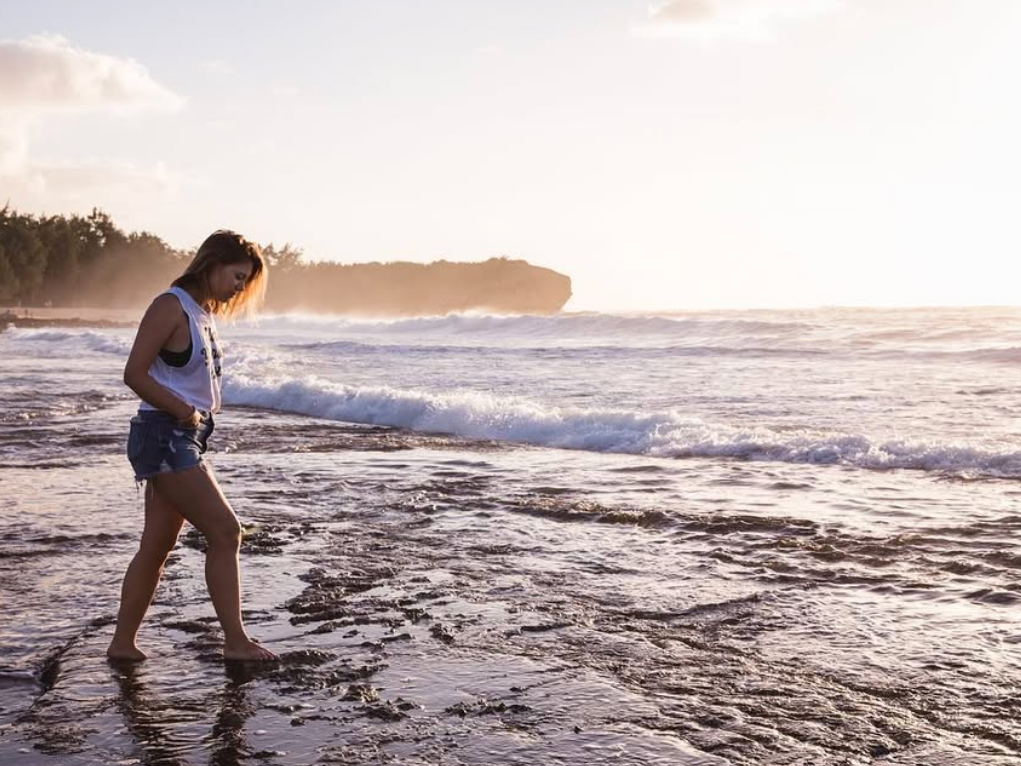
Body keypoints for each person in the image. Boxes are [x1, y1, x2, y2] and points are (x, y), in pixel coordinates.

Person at [107, 230, 277, 662]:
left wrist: (193, 420)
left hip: (183, 436)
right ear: (212, 263)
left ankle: (122, 645)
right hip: (167, 434)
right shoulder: (170, 306)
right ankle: (236, 643)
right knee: (226, 531)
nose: (239, 287)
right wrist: (185, 412)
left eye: (245, 281)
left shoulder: (202, 312)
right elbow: (135, 373)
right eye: (237, 276)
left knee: (157, 546)